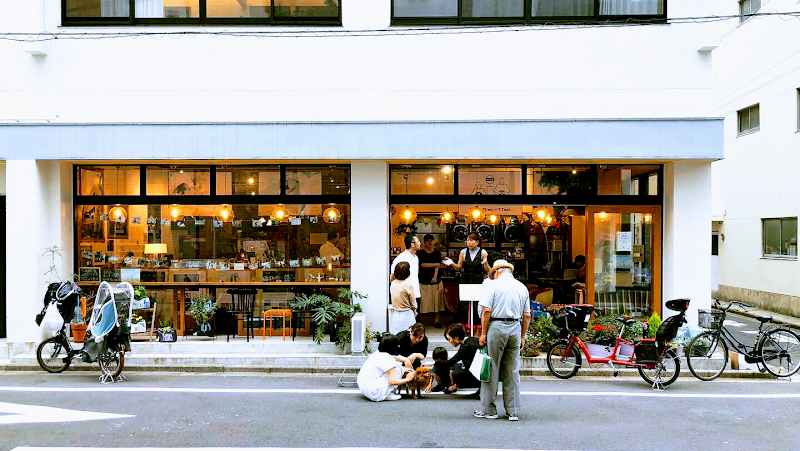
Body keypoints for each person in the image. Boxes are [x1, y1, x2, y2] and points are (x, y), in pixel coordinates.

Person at [474, 259, 531, 421]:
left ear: (497, 272)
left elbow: (486, 311)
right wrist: (522, 336)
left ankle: (489, 410)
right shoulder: (522, 287)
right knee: (512, 370)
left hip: (497, 327)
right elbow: (527, 315)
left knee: (491, 367)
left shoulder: (493, 285)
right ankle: (512, 411)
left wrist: (483, 334)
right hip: (515, 327)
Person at [444, 232, 490, 326]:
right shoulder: (463, 252)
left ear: (477, 242)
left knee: (477, 302)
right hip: (465, 278)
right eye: (468, 240)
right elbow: (458, 267)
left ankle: (477, 325)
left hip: (477, 279)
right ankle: (464, 325)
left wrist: (485, 263)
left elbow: (487, 270)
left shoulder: (483, 252)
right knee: (464, 303)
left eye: (471, 240)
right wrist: (452, 263)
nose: (469, 242)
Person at [357, 334, 416, 402]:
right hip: (375, 392)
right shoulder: (389, 359)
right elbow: (392, 381)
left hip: (364, 387)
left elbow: (395, 357)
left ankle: (384, 391)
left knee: (399, 367)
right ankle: (385, 394)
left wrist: (406, 360)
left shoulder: (377, 353)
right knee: (398, 369)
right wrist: (407, 379)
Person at [439, 324, 481, 396]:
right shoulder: (470, 340)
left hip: (480, 373)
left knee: (456, 372)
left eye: (449, 339)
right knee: (457, 367)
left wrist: (435, 363)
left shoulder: (466, 346)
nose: (450, 342)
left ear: (456, 337)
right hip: (482, 369)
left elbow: (452, 361)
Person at [418, 234, 445, 328]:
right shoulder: (420, 253)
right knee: (423, 302)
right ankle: (421, 321)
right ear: (424, 242)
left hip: (436, 280)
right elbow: (422, 264)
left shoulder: (437, 253)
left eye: (431, 240)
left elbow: (438, 266)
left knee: (437, 302)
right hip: (423, 280)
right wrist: (434, 264)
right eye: (427, 240)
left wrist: (435, 276)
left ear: (434, 242)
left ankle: (437, 321)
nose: (429, 242)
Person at [390, 234, 421, 315]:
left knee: (415, 316)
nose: (420, 243)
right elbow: (392, 276)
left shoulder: (415, 258)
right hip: (404, 293)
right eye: (418, 241)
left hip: (415, 291)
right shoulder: (401, 258)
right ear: (412, 244)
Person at [390, 262, 417, 335]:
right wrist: (415, 311)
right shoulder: (408, 285)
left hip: (396, 313)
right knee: (409, 336)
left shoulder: (393, 283)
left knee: (396, 335)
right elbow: (413, 302)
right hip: (407, 313)